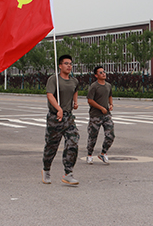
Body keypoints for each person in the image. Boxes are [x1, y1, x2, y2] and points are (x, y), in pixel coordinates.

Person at [41, 54, 80, 186]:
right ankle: (46, 170)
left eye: (70, 64)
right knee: (51, 146)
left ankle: (68, 173)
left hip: (68, 118)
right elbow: (49, 95)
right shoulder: (54, 79)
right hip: (55, 118)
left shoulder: (74, 80)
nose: (69, 66)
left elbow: (75, 90)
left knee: (73, 142)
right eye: (66, 63)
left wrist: (75, 102)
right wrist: (58, 108)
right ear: (60, 65)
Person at [86, 65, 115, 165]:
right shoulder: (94, 86)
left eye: (104, 72)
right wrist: (101, 108)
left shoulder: (108, 85)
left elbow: (110, 95)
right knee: (93, 136)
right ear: (96, 75)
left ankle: (103, 153)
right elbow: (90, 100)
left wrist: (110, 104)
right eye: (101, 73)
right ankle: (89, 155)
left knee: (110, 135)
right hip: (95, 115)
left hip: (106, 114)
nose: (103, 74)